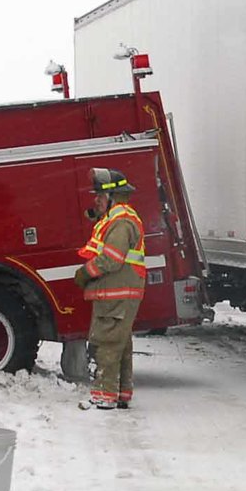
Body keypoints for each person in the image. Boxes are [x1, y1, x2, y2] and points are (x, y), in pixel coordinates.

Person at [74, 167, 146, 410]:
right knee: (120, 343)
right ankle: (121, 393)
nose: (96, 200)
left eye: (100, 196)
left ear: (114, 197)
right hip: (119, 292)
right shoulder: (117, 219)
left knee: (106, 344)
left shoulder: (121, 222)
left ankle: (104, 396)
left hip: (117, 292)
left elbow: (112, 259)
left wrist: (85, 273)